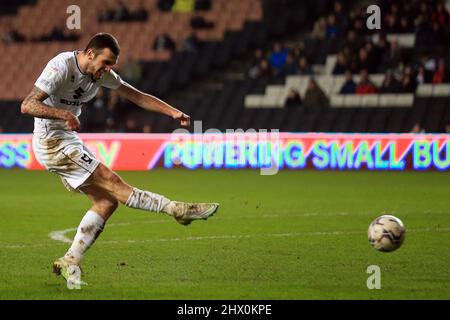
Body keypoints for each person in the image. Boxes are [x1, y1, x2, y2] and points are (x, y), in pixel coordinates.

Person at [20, 33, 219, 289]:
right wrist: (63, 114)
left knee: (106, 202)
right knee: (113, 182)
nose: (108, 69)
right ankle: (175, 210)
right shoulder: (61, 66)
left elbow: (135, 95)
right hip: (52, 141)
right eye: (105, 62)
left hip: (67, 139)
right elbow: (27, 105)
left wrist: (172, 111)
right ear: (90, 54)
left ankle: (71, 259)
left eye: (112, 64)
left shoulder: (102, 75)